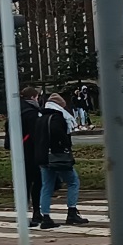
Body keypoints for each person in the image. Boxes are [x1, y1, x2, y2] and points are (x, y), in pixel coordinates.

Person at [34, 93, 89, 228]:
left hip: (43, 157)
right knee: (73, 182)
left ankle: (45, 217)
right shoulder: (57, 118)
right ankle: (71, 212)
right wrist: (66, 146)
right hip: (58, 157)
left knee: (46, 186)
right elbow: (59, 135)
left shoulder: (41, 117)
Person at [4, 86, 43, 225]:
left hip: (19, 152)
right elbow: (36, 135)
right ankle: (36, 213)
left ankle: (25, 214)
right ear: (33, 97)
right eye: (37, 97)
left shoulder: (16, 110)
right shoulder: (31, 113)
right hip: (30, 152)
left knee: (24, 183)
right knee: (37, 182)